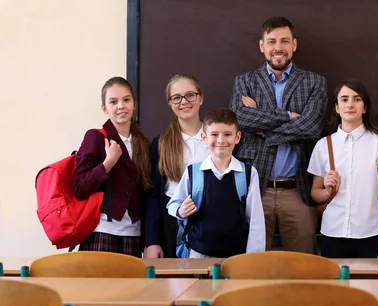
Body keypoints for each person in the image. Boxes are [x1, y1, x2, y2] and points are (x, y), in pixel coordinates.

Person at [229, 16, 327, 253]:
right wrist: (289, 116)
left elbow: (311, 127)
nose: (278, 47)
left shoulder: (314, 82)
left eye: (284, 41)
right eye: (271, 41)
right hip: (255, 187)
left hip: (297, 190)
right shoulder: (245, 82)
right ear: (262, 46)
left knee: (304, 264)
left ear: (294, 44)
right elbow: (240, 119)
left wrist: (262, 126)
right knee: (254, 262)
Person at [308, 80, 378, 258]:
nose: (350, 104)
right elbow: (315, 194)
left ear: (365, 108)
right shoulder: (323, 145)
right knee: (335, 286)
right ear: (336, 107)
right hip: (332, 233)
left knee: (371, 286)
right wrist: (326, 191)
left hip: (370, 234)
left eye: (357, 99)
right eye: (344, 99)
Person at [166, 108, 265, 258]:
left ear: (237, 137)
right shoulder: (193, 172)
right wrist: (181, 211)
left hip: (236, 256)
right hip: (198, 253)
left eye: (227, 134)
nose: (221, 140)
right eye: (214, 134)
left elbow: (255, 221)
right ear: (204, 137)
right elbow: (173, 205)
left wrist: (253, 257)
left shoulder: (248, 173)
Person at [73, 76, 151, 257]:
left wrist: (148, 240)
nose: (121, 106)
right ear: (104, 108)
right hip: (100, 231)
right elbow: (79, 187)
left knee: (132, 287)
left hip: (133, 235)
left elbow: (146, 195)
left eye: (126, 100)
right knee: (98, 286)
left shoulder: (143, 143)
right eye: (113, 102)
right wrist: (108, 163)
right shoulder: (95, 137)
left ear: (134, 104)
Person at [144, 74, 210, 258]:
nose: (184, 102)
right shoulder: (161, 144)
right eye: (176, 97)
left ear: (201, 97)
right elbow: (153, 197)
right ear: (170, 102)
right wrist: (151, 241)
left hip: (210, 221)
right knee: (174, 285)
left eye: (190, 95)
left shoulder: (216, 139)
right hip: (171, 225)